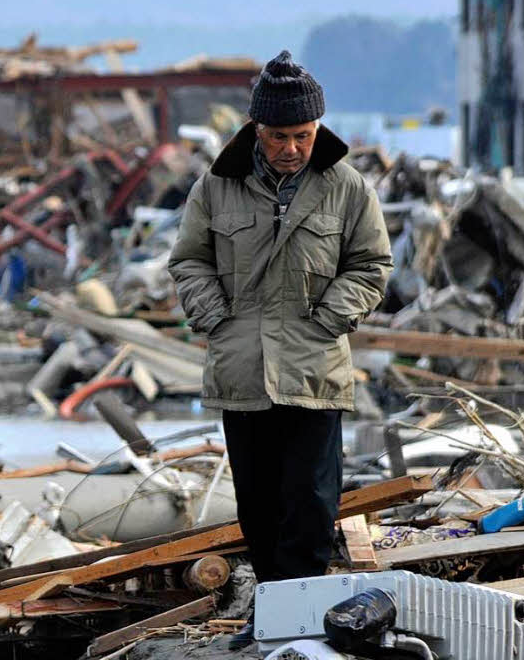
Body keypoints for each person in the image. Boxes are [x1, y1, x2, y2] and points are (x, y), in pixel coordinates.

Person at [168, 50, 392, 647]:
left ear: (317, 129)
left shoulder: (346, 188)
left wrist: (331, 318)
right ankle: (270, 617)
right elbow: (189, 259)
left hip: (314, 367)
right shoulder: (216, 187)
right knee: (258, 509)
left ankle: (300, 618)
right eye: (277, 136)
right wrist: (215, 317)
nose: (290, 148)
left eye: (302, 135)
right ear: (255, 130)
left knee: (313, 505)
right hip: (242, 369)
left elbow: (371, 263)